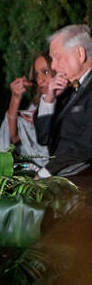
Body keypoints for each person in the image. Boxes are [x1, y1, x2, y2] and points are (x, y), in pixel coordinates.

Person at [35, 23, 92, 178]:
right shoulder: (68, 90)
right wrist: (50, 98)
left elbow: (86, 145)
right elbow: (43, 137)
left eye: (57, 57)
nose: (53, 65)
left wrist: (46, 172)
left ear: (80, 54)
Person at [0, 53, 53, 172]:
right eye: (37, 74)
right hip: (39, 171)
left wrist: (42, 122)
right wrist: (15, 98)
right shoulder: (36, 105)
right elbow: (14, 138)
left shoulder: (69, 100)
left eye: (45, 72)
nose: (40, 79)